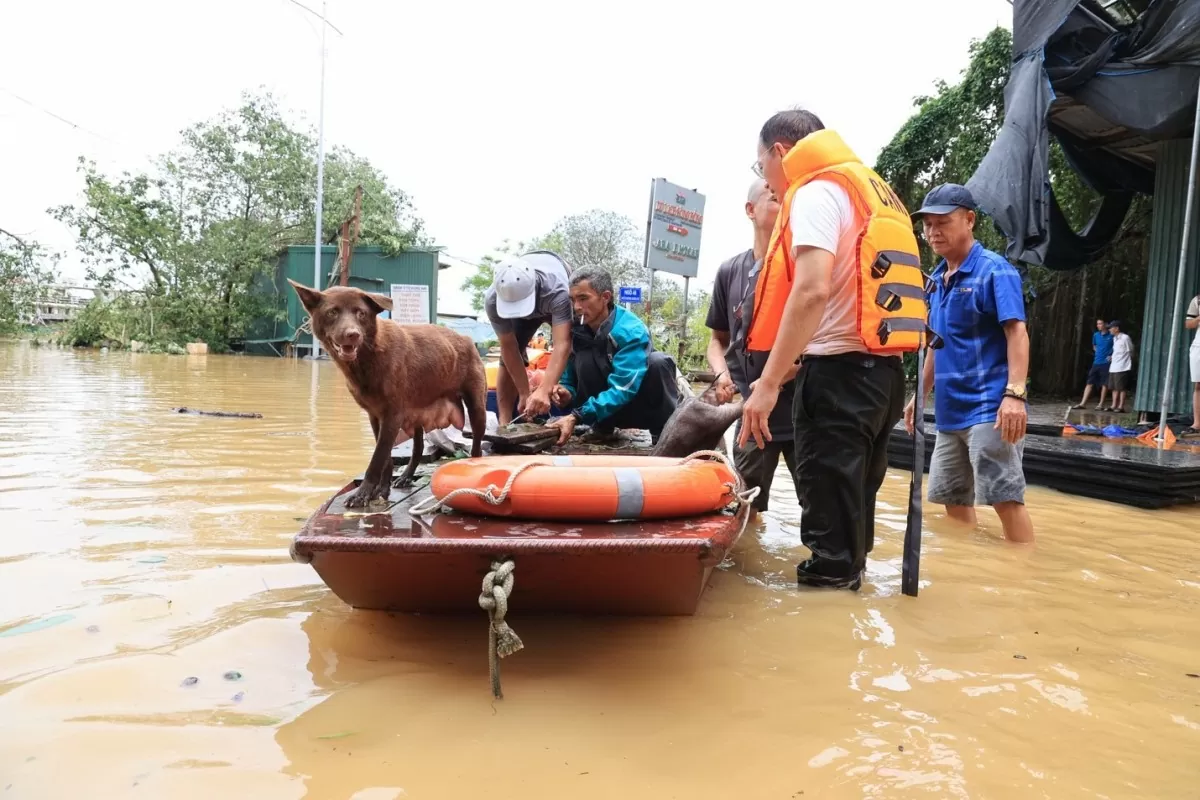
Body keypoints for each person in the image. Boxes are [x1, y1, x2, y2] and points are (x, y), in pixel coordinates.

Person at [739, 109, 925, 591]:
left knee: (830, 543)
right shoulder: (870, 191)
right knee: (852, 522)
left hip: (839, 380)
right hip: (883, 376)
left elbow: (812, 291)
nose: (768, 181)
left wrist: (768, 383)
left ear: (781, 151)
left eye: (762, 167)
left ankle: (823, 639)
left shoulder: (818, 190)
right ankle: (852, 639)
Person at [904, 183, 1034, 544]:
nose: (933, 232)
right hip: (949, 413)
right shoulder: (935, 281)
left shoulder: (995, 271)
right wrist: (920, 393)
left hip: (989, 408)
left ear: (970, 220)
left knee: (1005, 498)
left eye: (942, 222)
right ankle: (970, 568)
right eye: (927, 225)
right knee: (953, 500)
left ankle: (1023, 575)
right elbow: (935, 344)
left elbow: (1017, 333)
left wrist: (1015, 395)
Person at [705, 178, 798, 514]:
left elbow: (818, 345)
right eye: (775, 199)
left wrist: (775, 379)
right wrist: (721, 375)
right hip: (751, 413)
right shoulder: (730, 271)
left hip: (803, 409)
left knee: (818, 511)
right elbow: (717, 340)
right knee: (743, 508)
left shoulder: (804, 267)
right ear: (750, 210)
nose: (784, 206)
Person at [546, 268, 680, 445]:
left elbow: (624, 388)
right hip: (599, 412)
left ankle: (663, 433)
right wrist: (566, 391)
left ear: (605, 297)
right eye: (573, 300)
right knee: (585, 357)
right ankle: (602, 428)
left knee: (659, 363)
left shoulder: (631, 331)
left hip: (635, 406)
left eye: (583, 298)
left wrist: (577, 416)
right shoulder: (576, 330)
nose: (577, 307)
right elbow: (569, 376)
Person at [484, 251, 574, 424]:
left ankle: (574, 417)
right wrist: (524, 392)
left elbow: (562, 344)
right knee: (508, 356)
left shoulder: (557, 290)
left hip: (551, 296)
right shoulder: (493, 301)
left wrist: (544, 389)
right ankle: (505, 424)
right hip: (531, 300)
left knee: (578, 347)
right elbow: (509, 347)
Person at [1072, 319, 1112, 411]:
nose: (1098, 325)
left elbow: (1116, 347)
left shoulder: (1111, 336)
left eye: (1100, 323)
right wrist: (1098, 352)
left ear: (1106, 324)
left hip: (1106, 363)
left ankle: (1100, 404)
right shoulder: (1096, 335)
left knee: (1104, 384)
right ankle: (1083, 403)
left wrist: (1111, 355)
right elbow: (1094, 346)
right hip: (1096, 362)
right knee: (1089, 382)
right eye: (1097, 324)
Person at [1107, 320, 1134, 413]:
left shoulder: (1125, 338)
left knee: (1121, 387)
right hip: (1114, 365)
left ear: (1117, 328)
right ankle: (1114, 405)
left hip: (1122, 366)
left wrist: (1126, 360)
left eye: (1111, 328)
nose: (1110, 329)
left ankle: (1121, 406)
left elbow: (1130, 350)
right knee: (1114, 387)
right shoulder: (1115, 339)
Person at [1187, 294, 1200, 435]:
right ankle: (1197, 424)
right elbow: (1188, 324)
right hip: (1198, 345)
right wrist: (1198, 318)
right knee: (1198, 384)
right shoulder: (1197, 300)